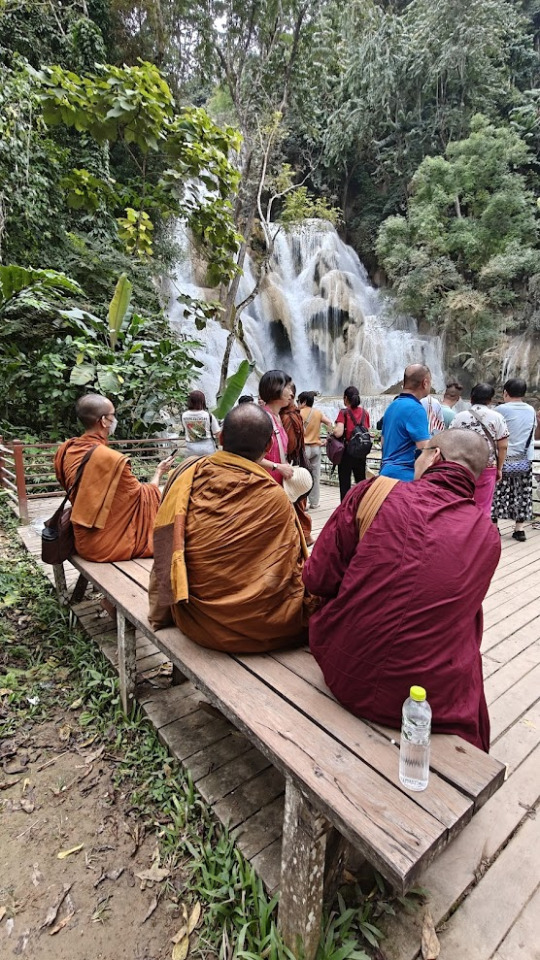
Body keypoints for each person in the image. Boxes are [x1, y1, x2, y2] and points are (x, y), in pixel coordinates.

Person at [303, 430, 501, 752]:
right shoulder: (488, 536)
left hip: (345, 669)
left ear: (435, 457)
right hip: (429, 697)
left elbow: (317, 578)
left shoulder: (373, 492)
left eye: (420, 453)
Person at [149, 403, 312, 652]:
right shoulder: (273, 497)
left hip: (197, 620)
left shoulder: (187, 476)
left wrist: (161, 610)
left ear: (222, 438)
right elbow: (290, 567)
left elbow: (165, 544)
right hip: (262, 627)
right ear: (269, 446)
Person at [55, 394, 172, 562]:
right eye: (112, 415)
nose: (114, 420)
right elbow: (142, 496)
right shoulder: (111, 459)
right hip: (107, 546)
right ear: (103, 421)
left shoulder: (67, 449)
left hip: (82, 540)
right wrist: (159, 473)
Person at [450, 383, 509, 518]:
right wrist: (499, 468)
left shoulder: (459, 416)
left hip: (463, 467)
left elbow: (450, 441)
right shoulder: (497, 417)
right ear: (490, 400)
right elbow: (503, 446)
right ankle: (479, 530)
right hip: (487, 466)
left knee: (461, 504)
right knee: (483, 507)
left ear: (471, 398)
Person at [491, 378, 536, 541]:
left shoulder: (500, 410)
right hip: (524, 460)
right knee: (522, 493)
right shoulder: (531, 410)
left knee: (496, 494)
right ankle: (519, 529)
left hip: (502, 459)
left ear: (505, 393)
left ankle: (494, 527)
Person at [379, 364, 431, 480]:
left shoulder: (392, 406)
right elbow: (424, 448)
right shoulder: (416, 409)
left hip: (385, 475)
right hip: (404, 477)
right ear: (425, 383)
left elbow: (383, 441)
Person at [280, 383, 314, 545]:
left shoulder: (288, 417)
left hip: (291, 465)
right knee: (298, 502)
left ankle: (303, 536)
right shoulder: (294, 414)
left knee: (295, 502)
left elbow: (290, 445)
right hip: (298, 462)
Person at [332, 386, 371, 501]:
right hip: (361, 452)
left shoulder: (344, 412)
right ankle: (361, 506)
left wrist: (333, 431)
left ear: (345, 398)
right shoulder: (365, 413)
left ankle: (345, 507)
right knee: (361, 482)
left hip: (347, 453)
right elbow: (367, 431)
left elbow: (338, 433)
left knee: (345, 484)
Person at [258, 369, 295, 485]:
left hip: (276, 484)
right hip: (264, 484)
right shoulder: (262, 418)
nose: (291, 393)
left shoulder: (277, 417)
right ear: (275, 388)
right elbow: (250, 457)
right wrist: (277, 467)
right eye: (288, 388)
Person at [298, 392, 334, 509]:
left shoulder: (299, 413)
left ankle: (303, 503)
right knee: (315, 475)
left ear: (303, 402)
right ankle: (315, 502)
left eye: (298, 401)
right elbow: (329, 423)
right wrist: (328, 438)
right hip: (316, 448)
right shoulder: (318, 413)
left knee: (302, 476)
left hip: (304, 448)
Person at [181, 390, 219, 457]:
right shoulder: (208, 415)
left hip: (191, 448)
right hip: (207, 448)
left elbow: (186, 429)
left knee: (193, 463)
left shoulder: (184, 415)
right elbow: (217, 432)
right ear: (202, 401)